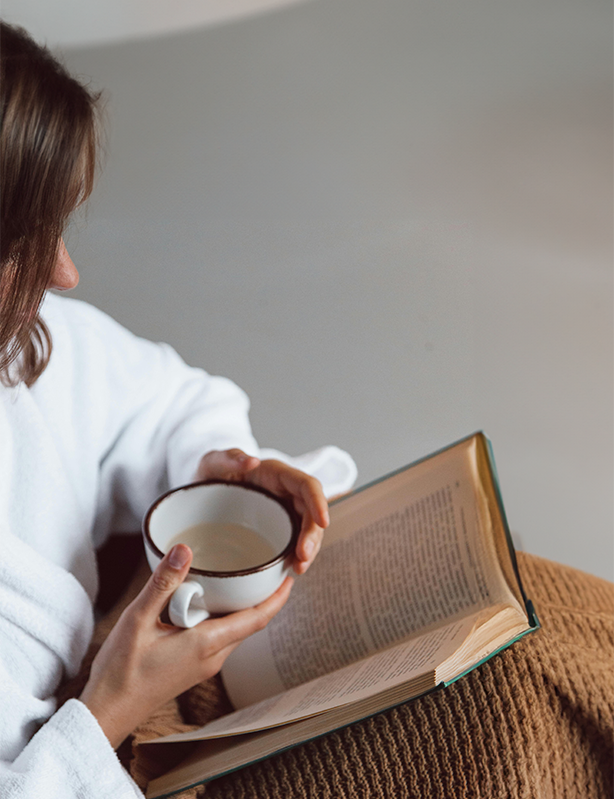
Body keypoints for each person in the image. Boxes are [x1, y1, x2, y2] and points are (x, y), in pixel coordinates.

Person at [0, 20, 356, 797]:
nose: (65, 274)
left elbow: (166, 396)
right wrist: (110, 708)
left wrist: (218, 462)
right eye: (25, 242)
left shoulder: (21, 343)